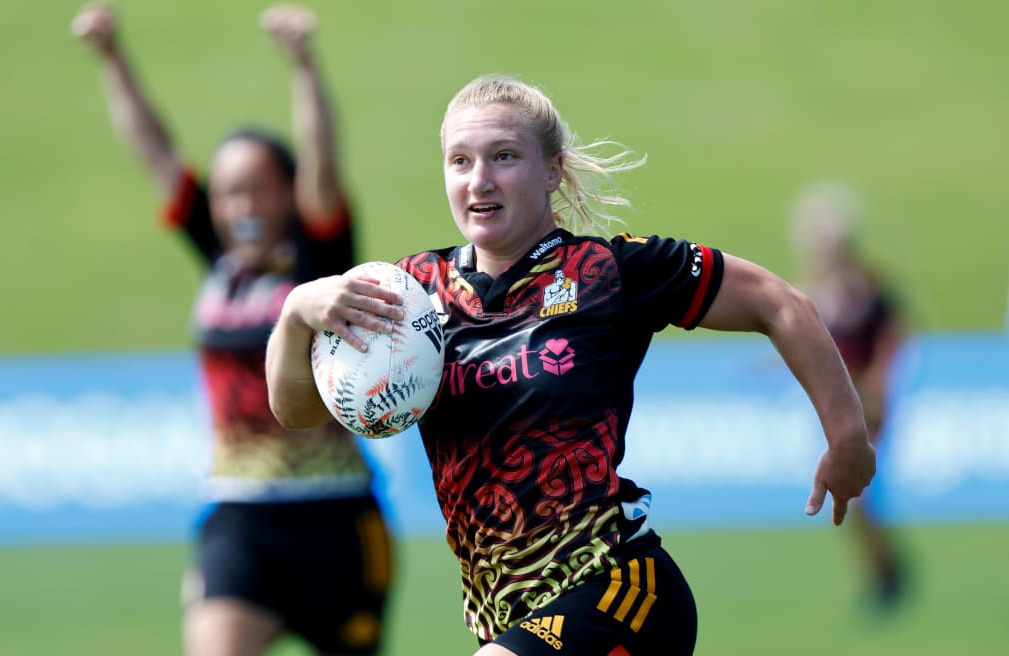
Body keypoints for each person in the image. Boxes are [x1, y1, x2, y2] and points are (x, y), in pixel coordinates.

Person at [265, 74, 875, 656]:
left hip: (619, 591)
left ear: (552, 170)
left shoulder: (609, 272)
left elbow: (779, 302)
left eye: (504, 156)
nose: (480, 180)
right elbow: (296, 412)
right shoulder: (409, 293)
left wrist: (847, 437)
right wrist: (296, 315)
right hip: (511, 620)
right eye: (460, 161)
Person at [72, 5, 393, 655]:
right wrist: (111, 57)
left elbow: (323, 163)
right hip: (239, 518)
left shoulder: (319, 259)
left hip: (338, 516)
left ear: (288, 192)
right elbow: (156, 153)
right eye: (226, 194)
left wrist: (303, 66)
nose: (241, 207)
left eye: (257, 189)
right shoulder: (219, 263)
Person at [788, 181, 909, 608]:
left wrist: (878, 380)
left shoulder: (866, 289)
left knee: (857, 495)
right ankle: (883, 572)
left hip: (864, 403)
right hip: (840, 401)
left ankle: (886, 575)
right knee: (856, 498)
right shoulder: (820, 290)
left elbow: (893, 337)